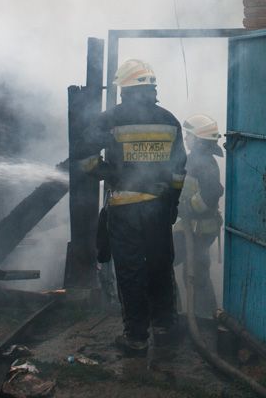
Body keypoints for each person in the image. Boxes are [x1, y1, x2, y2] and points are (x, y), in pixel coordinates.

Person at [80, 59, 185, 356]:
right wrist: (173, 203)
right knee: (161, 266)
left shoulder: (110, 119)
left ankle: (136, 337)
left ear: (124, 88)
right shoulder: (169, 120)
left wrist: (101, 171)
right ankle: (165, 328)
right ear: (152, 88)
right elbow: (179, 170)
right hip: (159, 208)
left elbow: (84, 153)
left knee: (129, 271)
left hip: (124, 207)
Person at [173, 113, 224, 321]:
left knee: (190, 271)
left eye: (188, 135)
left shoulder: (202, 161)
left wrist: (189, 208)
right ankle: (203, 315)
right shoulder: (198, 159)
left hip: (198, 229)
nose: (186, 138)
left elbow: (213, 192)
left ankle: (199, 317)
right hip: (194, 227)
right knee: (195, 273)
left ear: (198, 139)